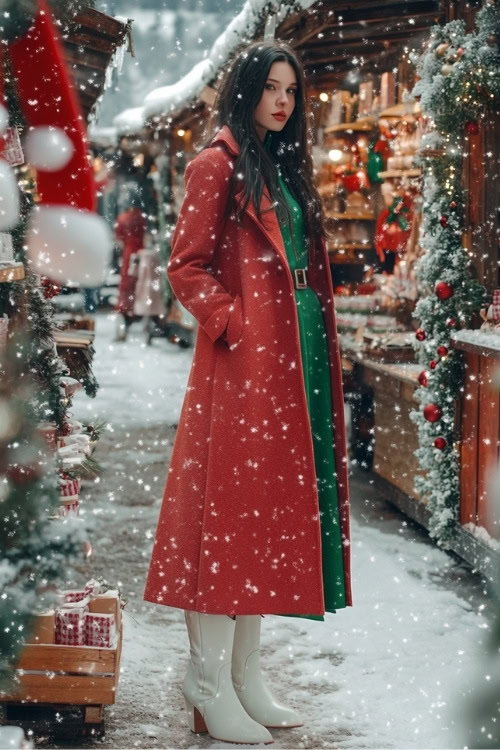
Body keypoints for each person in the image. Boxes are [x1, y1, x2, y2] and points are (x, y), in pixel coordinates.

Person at [144, 40, 352, 745]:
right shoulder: (216, 166)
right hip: (242, 366)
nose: (283, 100)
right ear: (246, 91)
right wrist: (234, 324)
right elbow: (186, 267)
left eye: (291, 89)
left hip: (292, 363)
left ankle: (244, 675)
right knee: (226, 514)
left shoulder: (281, 165)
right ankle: (206, 681)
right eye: (270, 87)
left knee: (259, 515)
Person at [114, 194, 147, 341]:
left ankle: (127, 311)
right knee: (140, 283)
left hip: (129, 251)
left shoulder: (122, 217)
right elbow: (144, 232)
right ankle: (138, 312)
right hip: (141, 250)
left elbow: (119, 236)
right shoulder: (141, 216)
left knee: (127, 283)